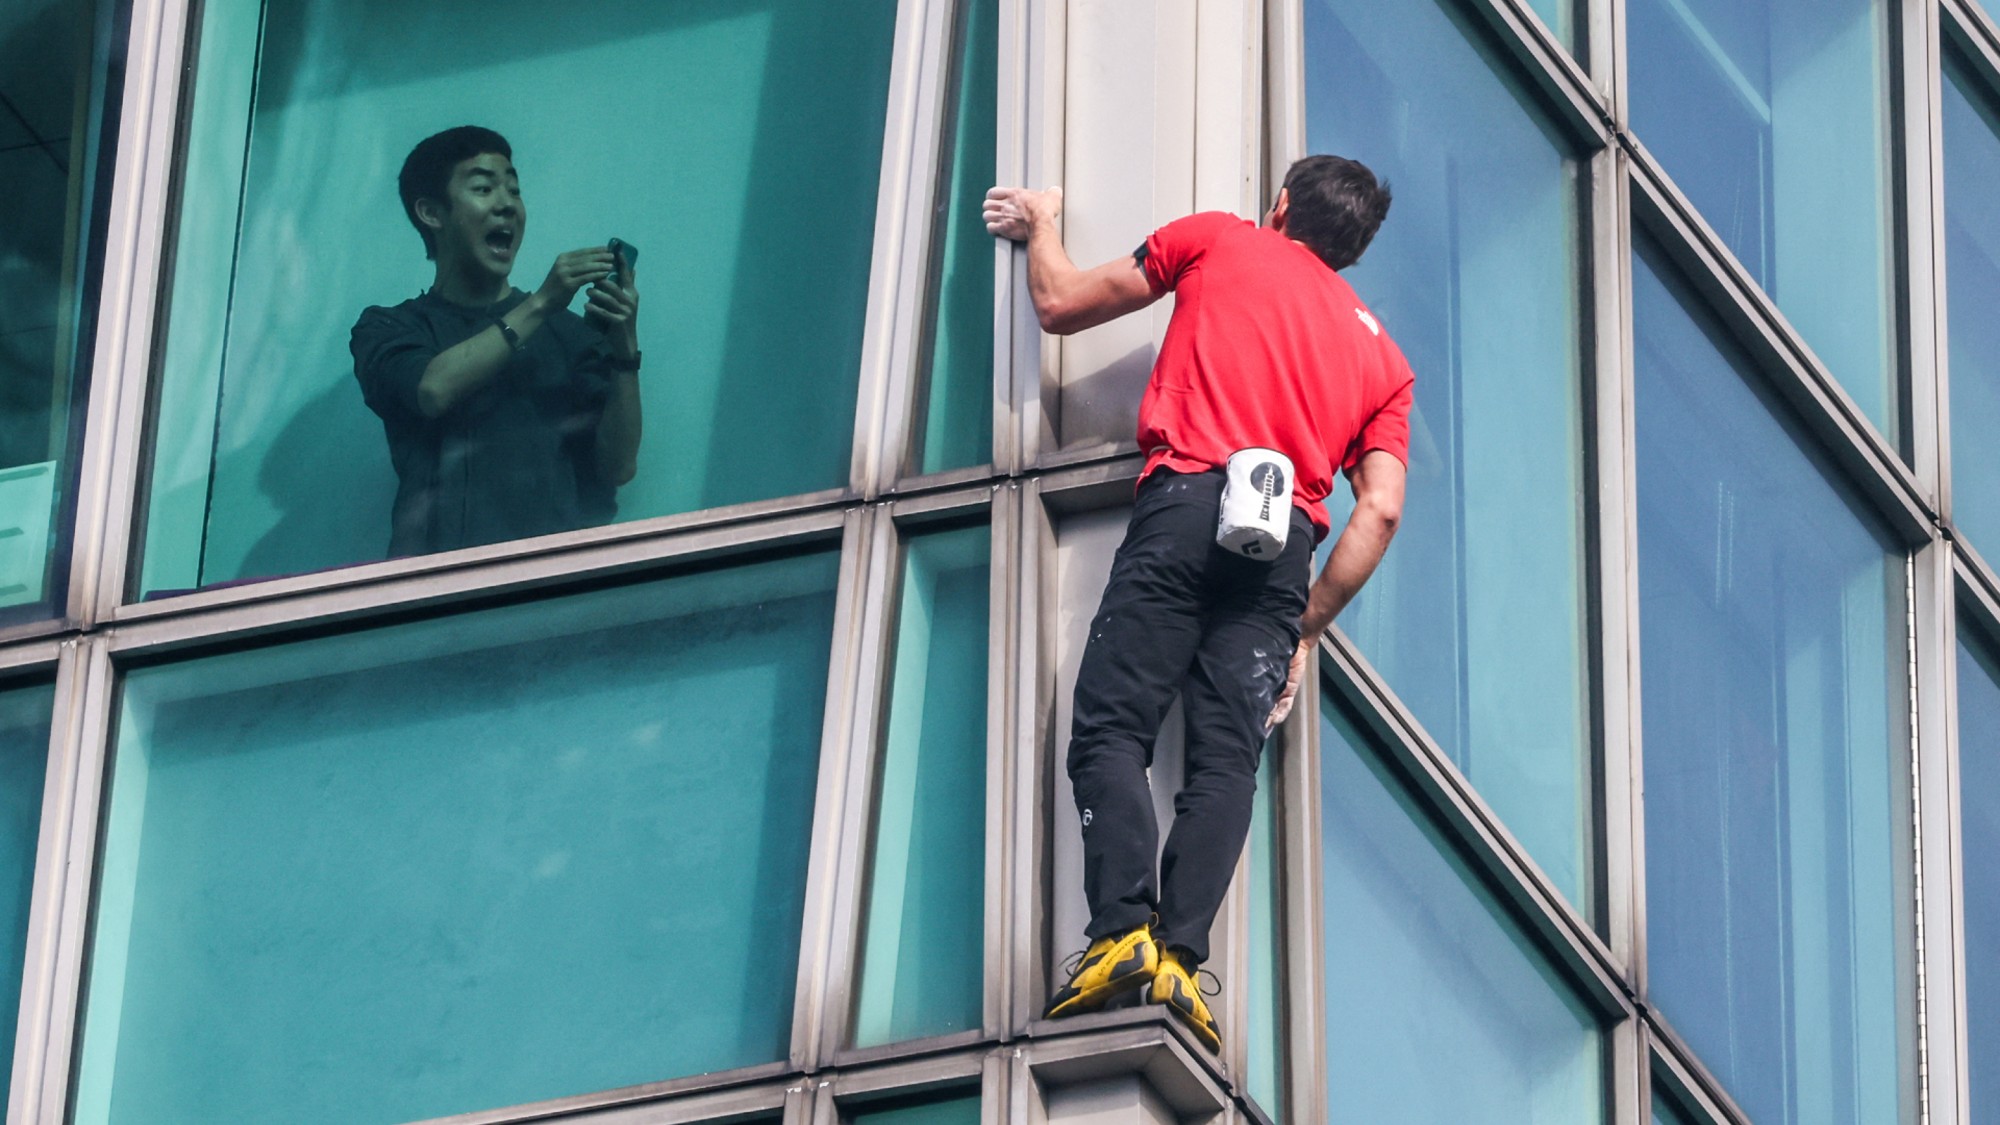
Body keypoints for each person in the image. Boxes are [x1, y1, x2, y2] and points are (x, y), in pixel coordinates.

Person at [984, 155, 1411, 1053]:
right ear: (1356, 251)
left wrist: (1043, 221)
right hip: (1282, 551)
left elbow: (1060, 303)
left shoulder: (1219, 238)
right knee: (1223, 764)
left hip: (1185, 502)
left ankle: (1119, 937)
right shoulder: (1385, 359)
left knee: (1111, 728)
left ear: (1282, 204)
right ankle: (1182, 960)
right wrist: (1304, 624)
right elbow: (1379, 508)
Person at [351, 126, 643, 558]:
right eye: (484, 188)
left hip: (557, 582)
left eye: (514, 190)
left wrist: (624, 354)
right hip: (434, 588)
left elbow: (618, 466)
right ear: (432, 213)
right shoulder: (389, 328)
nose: (507, 205)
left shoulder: (568, 332)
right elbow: (432, 390)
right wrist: (542, 303)